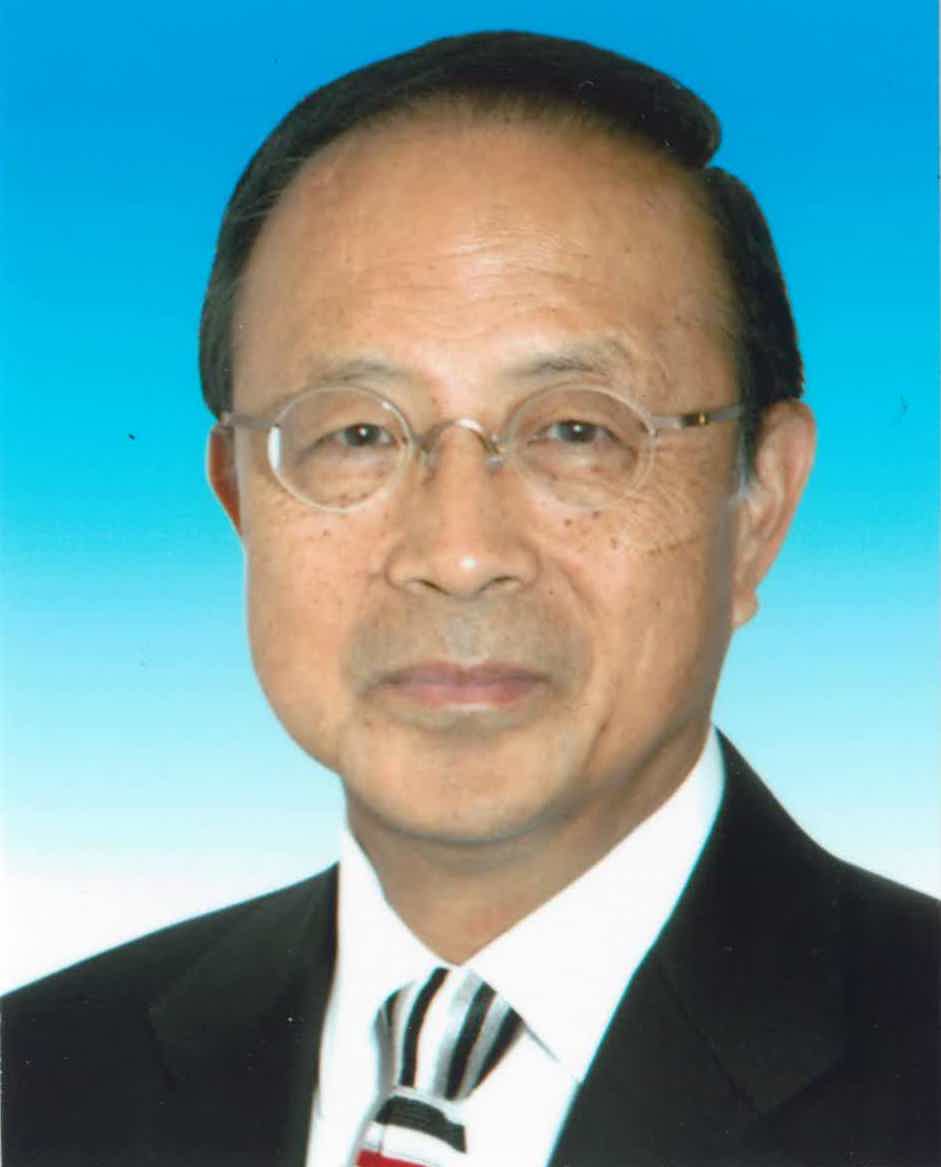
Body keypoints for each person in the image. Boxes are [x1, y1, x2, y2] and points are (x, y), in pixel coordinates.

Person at [3, 30, 938, 1167]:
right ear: (239, 497)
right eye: (356, 434)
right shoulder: (39, 1074)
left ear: (759, 507)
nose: (456, 554)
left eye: (575, 430)